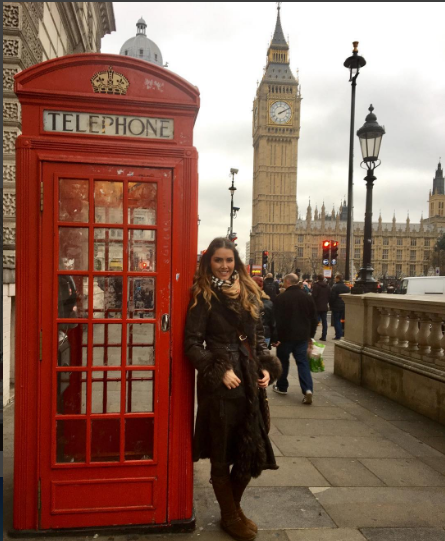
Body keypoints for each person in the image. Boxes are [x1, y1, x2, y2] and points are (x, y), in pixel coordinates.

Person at [184, 238, 282, 541]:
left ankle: (233, 510)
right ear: (208, 263)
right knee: (221, 454)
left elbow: (259, 338)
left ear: (236, 262)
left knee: (249, 450)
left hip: (249, 380)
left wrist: (266, 367)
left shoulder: (250, 293)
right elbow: (191, 344)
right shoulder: (203, 296)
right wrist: (218, 369)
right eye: (218, 261)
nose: (224, 266)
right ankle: (230, 516)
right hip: (221, 385)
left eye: (228, 260)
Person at [272, 273, 318, 404]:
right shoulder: (307, 298)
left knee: (283, 362)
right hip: (302, 336)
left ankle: (282, 386)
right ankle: (307, 389)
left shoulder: (280, 298)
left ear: (287, 282)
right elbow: (314, 319)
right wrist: (310, 336)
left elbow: (275, 320)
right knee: (302, 362)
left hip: (285, 337)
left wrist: (275, 338)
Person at [252, 276, 277, 348]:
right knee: (263, 356)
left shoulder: (244, 301)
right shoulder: (268, 303)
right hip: (265, 333)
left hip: (249, 335)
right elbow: (273, 323)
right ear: (262, 287)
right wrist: (274, 339)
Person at [329, 273, 350, 340]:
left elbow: (332, 297)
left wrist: (331, 305)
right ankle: (341, 333)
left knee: (337, 320)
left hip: (336, 306)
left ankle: (338, 335)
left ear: (338, 279)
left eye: (336, 278)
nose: (335, 279)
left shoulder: (335, 287)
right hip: (343, 305)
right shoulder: (346, 287)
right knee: (340, 320)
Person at [311, 274, 331, 341]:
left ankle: (312, 335)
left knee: (315, 321)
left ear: (317, 278)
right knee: (324, 321)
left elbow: (314, 296)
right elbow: (329, 296)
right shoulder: (327, 286)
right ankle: (324, 336)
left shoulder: (316, 286)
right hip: (324, 306)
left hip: (317, 306)